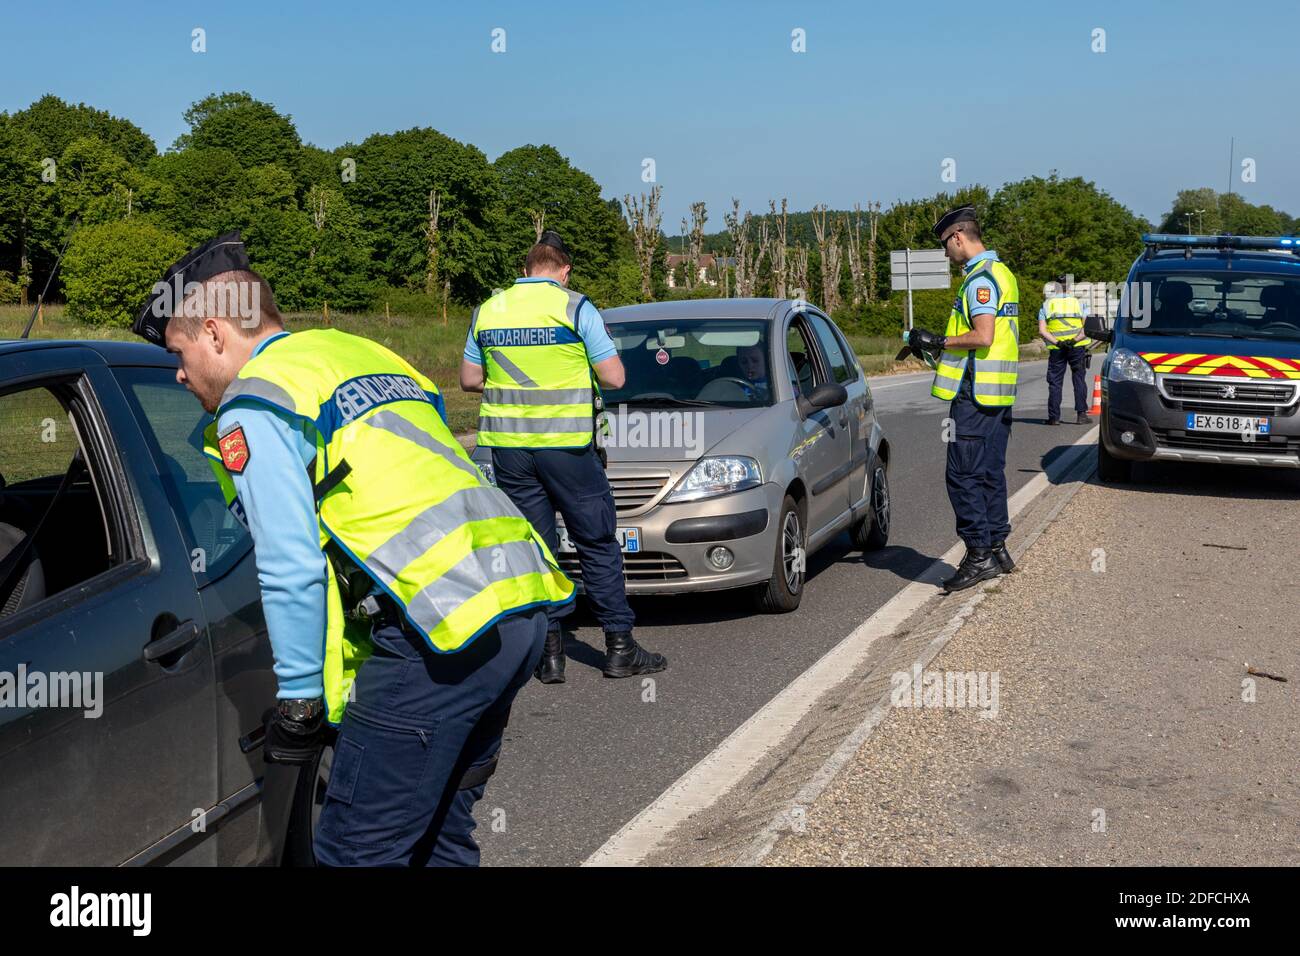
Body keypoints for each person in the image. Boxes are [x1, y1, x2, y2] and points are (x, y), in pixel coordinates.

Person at [134, 232, 574, 866]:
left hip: (438, 638)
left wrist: (300, 699)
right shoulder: (359, 353)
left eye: (178, 351)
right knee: (441, 840)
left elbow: (290, 564)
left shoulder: (255, 403)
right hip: (517, 608)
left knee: (356, 853)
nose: (178, 372)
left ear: (213, 332)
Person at [460, 231, 666, 684]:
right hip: (568, 448)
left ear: (527, 267)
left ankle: (550, 654)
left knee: (537, 547)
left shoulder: (488, 309)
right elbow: (613, 378)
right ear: (565, 270)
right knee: (596, 541)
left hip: (510, 451)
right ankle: (619, 647)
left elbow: (469, 379)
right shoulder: (575, 307)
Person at [904, 206, 1019, 592]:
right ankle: (997, 546)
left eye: (944, 246)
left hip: (976, 394)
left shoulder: (980, 280)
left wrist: (938, 340)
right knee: (988, 472)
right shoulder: (1002, 273)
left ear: (958, 237)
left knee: (962, 475)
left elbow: (982, 336)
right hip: (998, 394)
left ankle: (978, 554)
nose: (945, 255)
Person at [1039, 274, 1093, 425]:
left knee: (1055, 382)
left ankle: (1054, 417)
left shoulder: (1046, 305)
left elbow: (1042, 331)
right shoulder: (1079, 304)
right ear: (1069, 287)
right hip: (1076, 347)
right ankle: (1081, 415)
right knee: (1079, 379)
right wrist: (1073, 340)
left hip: (1057, 349)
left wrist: (1059, 343)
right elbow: (1086, 328)